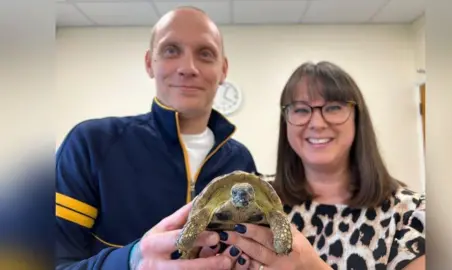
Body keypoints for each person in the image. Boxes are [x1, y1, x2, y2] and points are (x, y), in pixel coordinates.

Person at [55, 6, 257, 270]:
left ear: (223, 70)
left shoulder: (241, 161)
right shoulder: (90, 145)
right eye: (171, 50)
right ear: (150, 62)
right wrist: (131, 261)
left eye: (205, 54)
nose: (188, 67)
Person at [218, 61, 426, 269]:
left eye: (334, 107)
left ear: (357, 118)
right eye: (300, 110)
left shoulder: (411, 215)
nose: (317, 123)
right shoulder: (254, 200)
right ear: (286, 122)